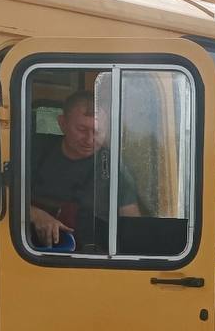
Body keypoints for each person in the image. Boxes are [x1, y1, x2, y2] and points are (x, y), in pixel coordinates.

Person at [29, 89, 139, 250]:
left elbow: (132, 226)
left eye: (97, 132)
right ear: (62, 123)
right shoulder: (32, 151)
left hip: (86, 260)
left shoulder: (114, 169)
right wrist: (35, 215)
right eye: (81, 130)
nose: (89, 140)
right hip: (24, 251)